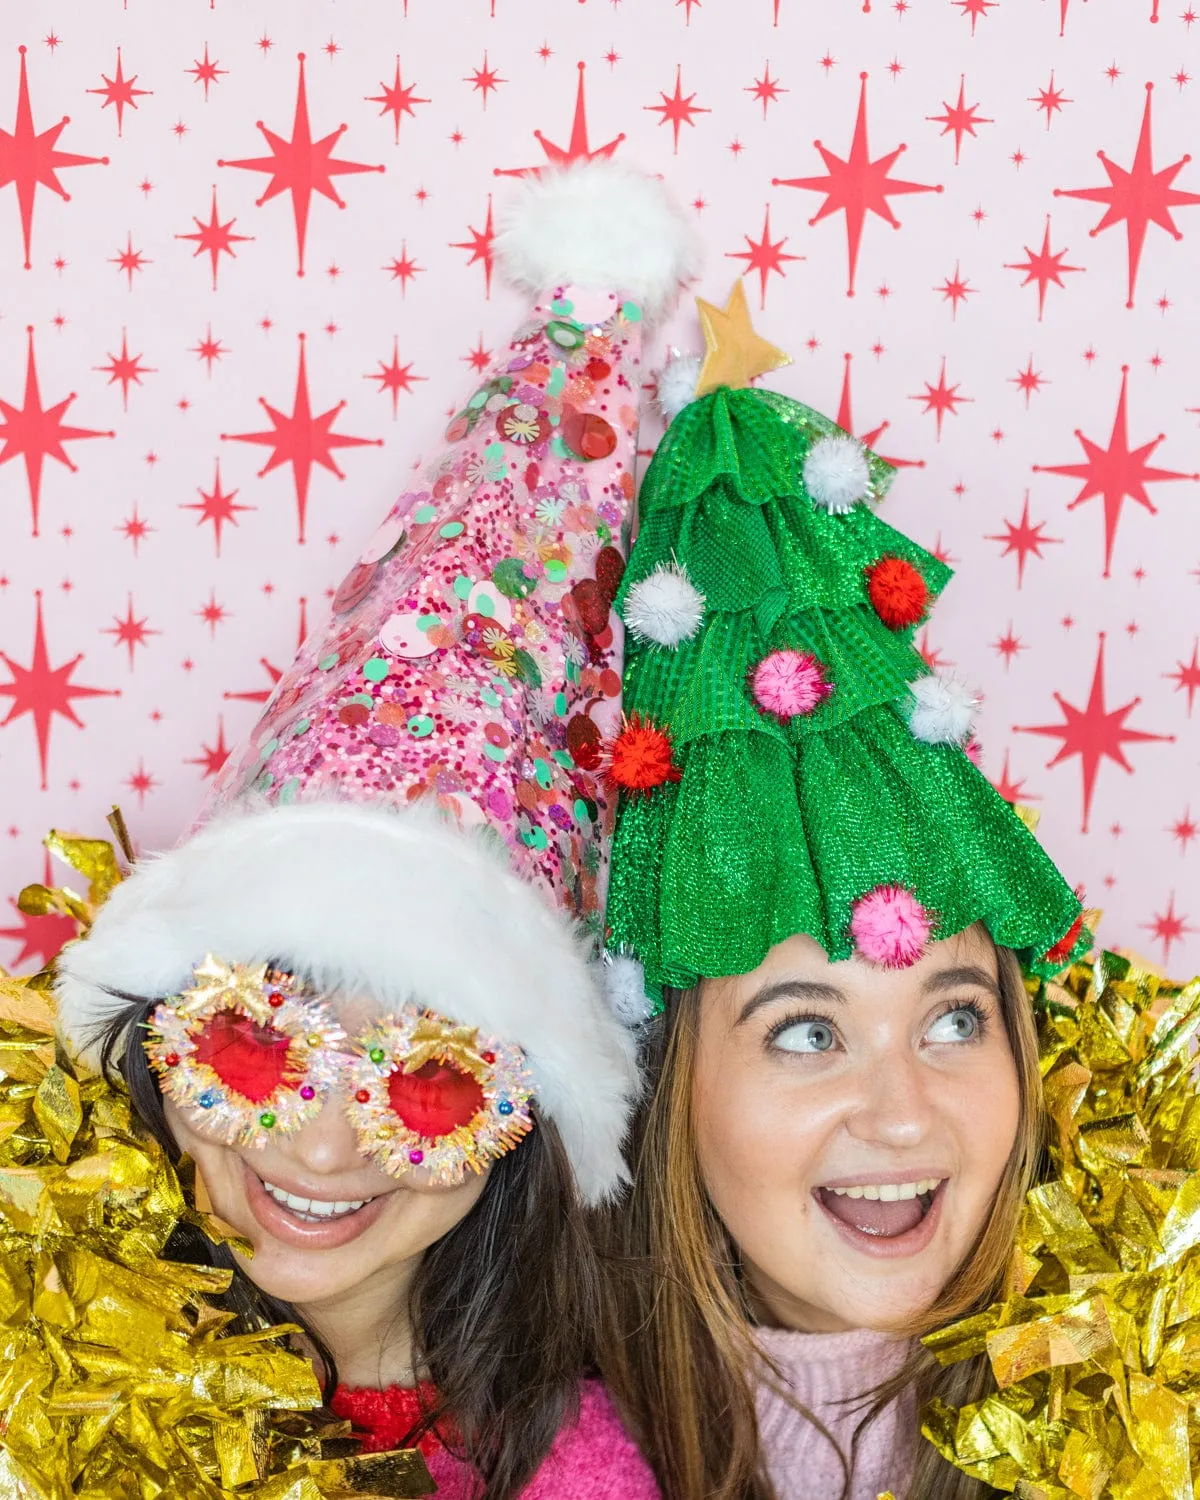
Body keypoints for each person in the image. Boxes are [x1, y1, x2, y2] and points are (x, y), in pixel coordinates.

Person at [13, 158, 701, 1498]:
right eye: (259, 1047)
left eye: (426, 1085)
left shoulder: (575, 1476)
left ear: (518, 1122)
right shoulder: (29, 1349)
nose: (324, 1152)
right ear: (162, 1033)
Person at [593, 303, 1088, 1500]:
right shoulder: (535, 1453)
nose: (905, 1116)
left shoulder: (1145, 1402)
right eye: (807, 1032)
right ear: (668, 1084)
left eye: (956, 1017)